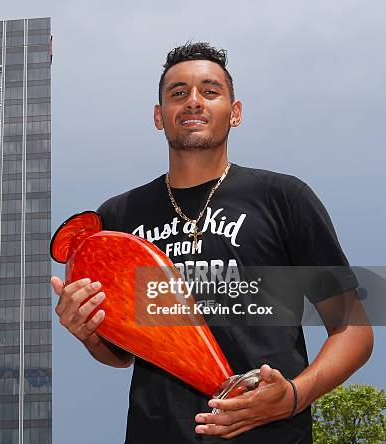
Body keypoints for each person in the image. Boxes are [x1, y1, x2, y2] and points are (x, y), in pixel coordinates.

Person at [50, 42, 373, 443]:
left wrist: (292, 396)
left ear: (235, 113)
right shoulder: (119, 218)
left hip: (272, 434)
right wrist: (88, 331)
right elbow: (122, 354)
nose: (193, 102)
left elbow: (354, 330)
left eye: (210, 91)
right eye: (178, 93)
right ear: (159, 116)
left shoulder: (284, 197)